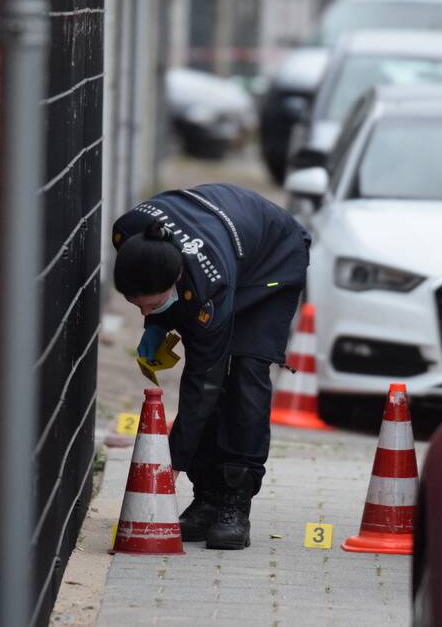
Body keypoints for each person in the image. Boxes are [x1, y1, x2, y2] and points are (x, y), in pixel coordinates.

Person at [112, 183, 310, 550]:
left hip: (271, 261)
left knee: (243, 375)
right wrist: (157, 322)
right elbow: (158, 289)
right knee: (210, 380)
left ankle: (235, 502)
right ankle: (206, 498)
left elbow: (203, 384)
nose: (143, 312)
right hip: (225, 244)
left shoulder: (209, 284)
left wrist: (169, 466)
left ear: (177, 278)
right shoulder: (127, 233)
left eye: (152, 305)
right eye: (136, 304)